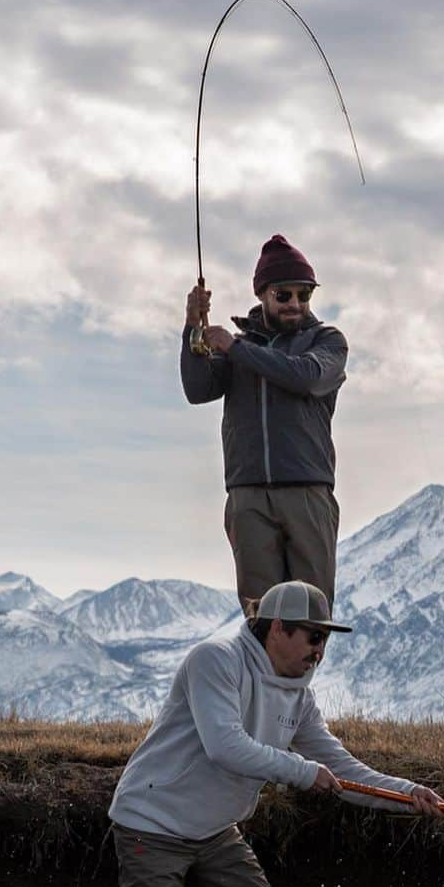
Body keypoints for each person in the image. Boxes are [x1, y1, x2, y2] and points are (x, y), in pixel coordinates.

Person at [108, 580, 443, 887]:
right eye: (314, 637)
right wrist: (302, 771)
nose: (320, 651)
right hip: (150, 824)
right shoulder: (214, 659)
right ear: (279, 628)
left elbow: (340, 768)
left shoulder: (301, 698)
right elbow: (225, 746)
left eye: (325, 640)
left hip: (214, 833)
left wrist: (406, 793)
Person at [182, 234, 347, 611]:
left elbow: (306, 377)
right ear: (262, 294)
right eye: (283, 295)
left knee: (310, 614)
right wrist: (193, 328)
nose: (295, 304)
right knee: (262, 617)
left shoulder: (327, 341)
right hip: (248, 495)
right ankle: (261, 673)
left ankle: (301, 672)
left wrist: (236, 348)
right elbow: (198, 388)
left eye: (303, 295)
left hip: (308, 493)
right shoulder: (238, 349)